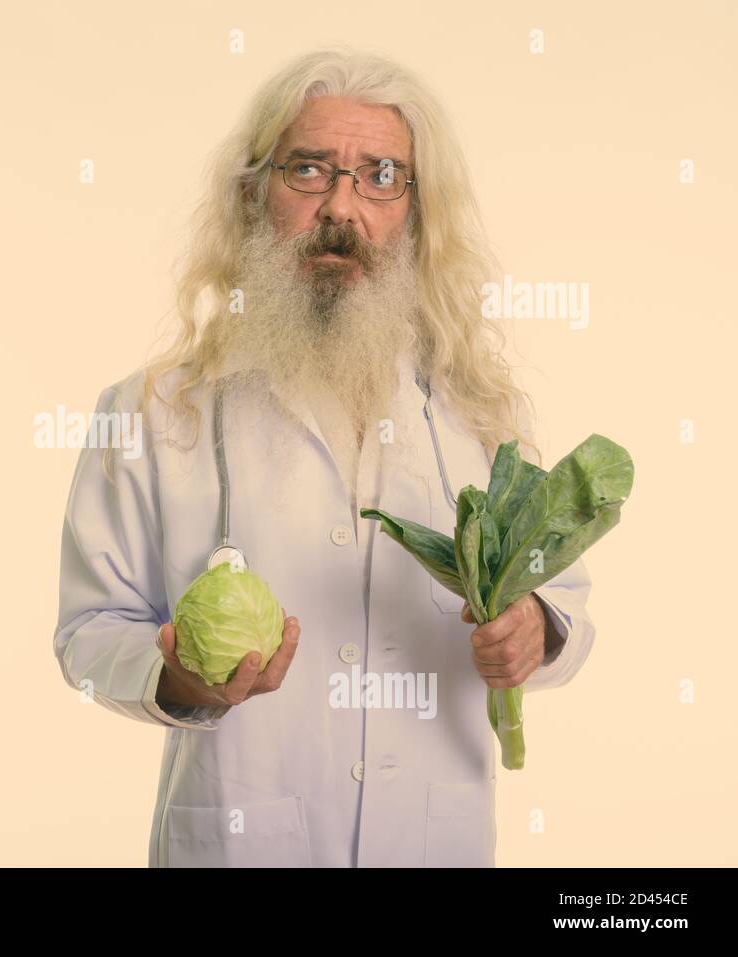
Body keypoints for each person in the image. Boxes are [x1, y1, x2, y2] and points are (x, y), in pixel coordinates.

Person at [52, 47, 594, 867]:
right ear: (252, 193)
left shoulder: (475, 411)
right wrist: (177, 681)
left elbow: (565, 596)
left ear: (416, 210)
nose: (342, 206)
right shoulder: (151, 412)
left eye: (382, 176)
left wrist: (537, 631)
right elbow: (87, 632)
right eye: (309, 169)